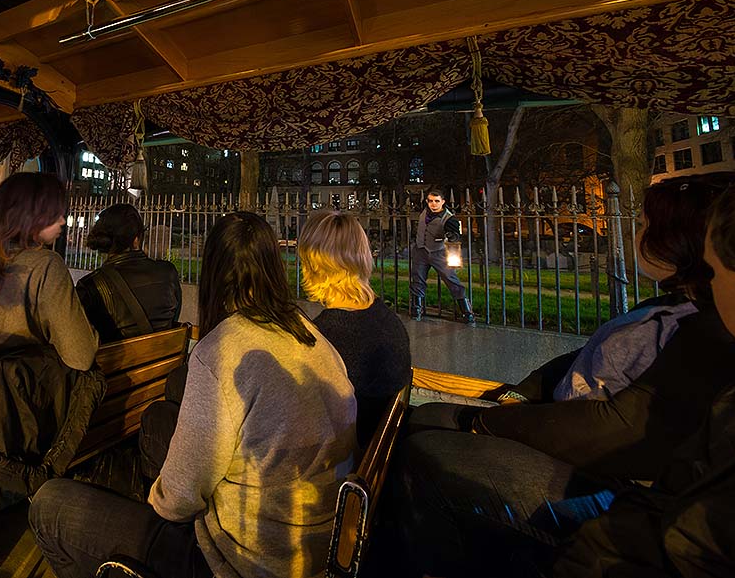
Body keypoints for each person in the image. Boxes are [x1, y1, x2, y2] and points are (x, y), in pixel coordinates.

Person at [31, 211, 358, 578]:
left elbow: (177, 503)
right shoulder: (311, 334)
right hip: (318, 543)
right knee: (161, 423)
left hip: (243, 560)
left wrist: (158, 502)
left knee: (49, 505)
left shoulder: (223, 350)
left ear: (214, 272)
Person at [553, 181, 735, 578]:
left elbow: (618, 429)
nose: (635, 233)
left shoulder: (699, 331)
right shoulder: (674, 311)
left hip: (603, 489)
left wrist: (481, 422)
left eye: (643, 223)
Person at [508, 171, 735, 404]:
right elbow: (585, 356)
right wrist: (529, 388)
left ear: (674, 238)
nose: (634, 234)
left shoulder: (677, 329)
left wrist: (499, 418)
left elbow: (615, 420)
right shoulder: (665, 311)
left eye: (642, 225)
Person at [0, 172, 102, 511]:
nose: (63, 220)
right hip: (0, 433)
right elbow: (80, 357)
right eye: (56, 213)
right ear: (32, 217)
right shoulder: (45, 265)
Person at [299, 209, 410, 446]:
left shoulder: (324, 340)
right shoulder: (386, 319)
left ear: (312, 264)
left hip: (347, 464)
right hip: (379, 454)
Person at [75, 203, 181, 342]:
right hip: (166, 360)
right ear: (136, 239)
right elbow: (174, 317)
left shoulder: (90, 286)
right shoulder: (168, 272)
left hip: (118, 362)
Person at [409, 187, 474, 324]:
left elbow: (456, 234)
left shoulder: (449, 218)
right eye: (430, 201)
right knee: (417, 279)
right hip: (420, 250)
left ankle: (467, 312)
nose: (433, 204)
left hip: (439, 252)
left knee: (451, 280)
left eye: (436, 201)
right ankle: (416, 309)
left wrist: (451, 236)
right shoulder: (424, 211)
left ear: (443, 202)